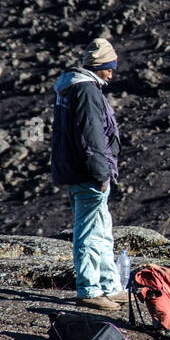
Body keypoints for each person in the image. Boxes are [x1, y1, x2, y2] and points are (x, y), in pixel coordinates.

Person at [51, 38, 125, 310]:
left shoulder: (74, 87)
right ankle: (90, 289)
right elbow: (91, 136)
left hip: (80, 172)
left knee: (102, 230)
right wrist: (100, 174)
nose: (112, 73)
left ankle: (110, 286)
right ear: (100, 66)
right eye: (109, 67)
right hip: (88, 174)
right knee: (91, 233)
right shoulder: (86, 91)